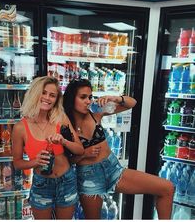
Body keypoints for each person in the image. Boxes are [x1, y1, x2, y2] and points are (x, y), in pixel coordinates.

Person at [63, 79, 174, 220]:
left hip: (114, 169)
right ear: (72, 98)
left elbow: (132, 103)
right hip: (89, 178)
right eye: (83, 97)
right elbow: (67, 161)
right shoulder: (64, 123)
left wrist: (116, 98)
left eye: (90, 97)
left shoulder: (96, 112)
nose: (88, 101)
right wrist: (84, 154)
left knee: (167, 188)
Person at [12, 76, 84, 219]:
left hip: (66, 180)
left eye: (52, 95)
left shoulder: (60, 118)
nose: (47, 98)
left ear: (56, 100)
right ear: (35, 93)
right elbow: (17, 163)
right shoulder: (20, 127)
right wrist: (35, 161)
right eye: (43, 93)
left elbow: (80, 150)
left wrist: (64, 142)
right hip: (41, 185)